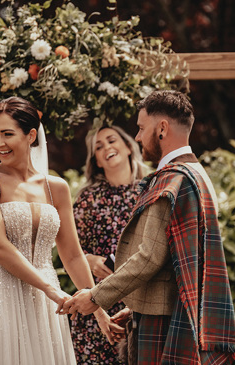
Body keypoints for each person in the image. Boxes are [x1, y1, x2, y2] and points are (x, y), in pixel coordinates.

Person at [60, 90, 235, 364]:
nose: (136, 137)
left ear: (162, 129)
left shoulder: (172, 180)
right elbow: (175, 259)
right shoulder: (197, 173)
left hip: (165, 323)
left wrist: (96, 296)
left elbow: (150, 256)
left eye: (141, 128)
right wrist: (136, 308)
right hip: (176, 314)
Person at [0, 97, 122, 365]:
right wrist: (51, 291)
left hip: (44, 304)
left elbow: (73, 256)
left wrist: (98, 311)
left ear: (31, 135)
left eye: (8, 134)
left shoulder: (57, 187)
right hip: (0, 295)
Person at [70, 125, 148, 364]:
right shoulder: (88, 198)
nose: (107, 148)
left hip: (140, 300)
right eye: (99, 147)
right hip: (95, 305)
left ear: (127, 147)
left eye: (112, 141)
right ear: (97, 162)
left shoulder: (150, 191)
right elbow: (68, 252)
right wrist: (89, 260)